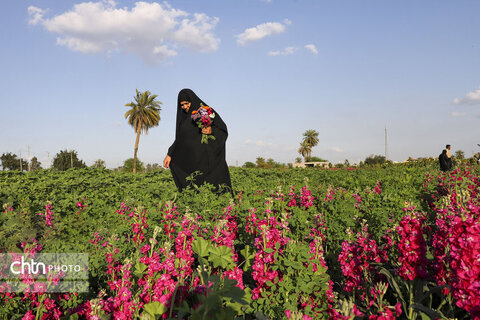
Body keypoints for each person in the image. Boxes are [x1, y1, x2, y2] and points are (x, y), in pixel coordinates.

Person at [163, 89, 232, 194]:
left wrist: (211, 130)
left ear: (192, 100)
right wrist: (170, 153)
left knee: (212, 186)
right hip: (191, 160)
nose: (185, 107)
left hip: (206, 158)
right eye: (181, 105)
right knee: (194, 186)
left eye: (187, 103)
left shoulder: (204, 111)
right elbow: (180, 139)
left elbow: (222, 129)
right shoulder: (183, 119)